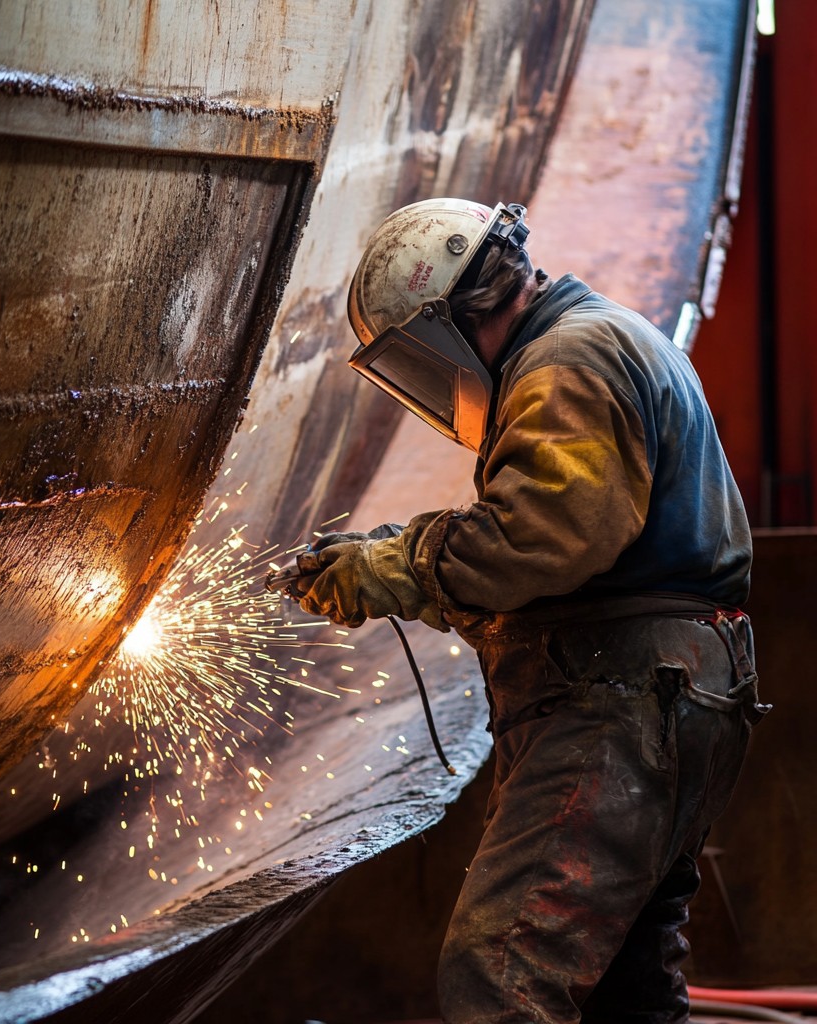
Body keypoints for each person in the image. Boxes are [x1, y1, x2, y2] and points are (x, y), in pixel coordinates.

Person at [289, 199, 768, 1024]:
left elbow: (541, 536)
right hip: (665, 694)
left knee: (500, 971)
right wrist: (389, 552)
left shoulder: (566, 360)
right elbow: (553, 531)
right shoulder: (599, 337)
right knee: (625, 987)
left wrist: (394, 568)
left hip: (620, 702)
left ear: (448, 322)